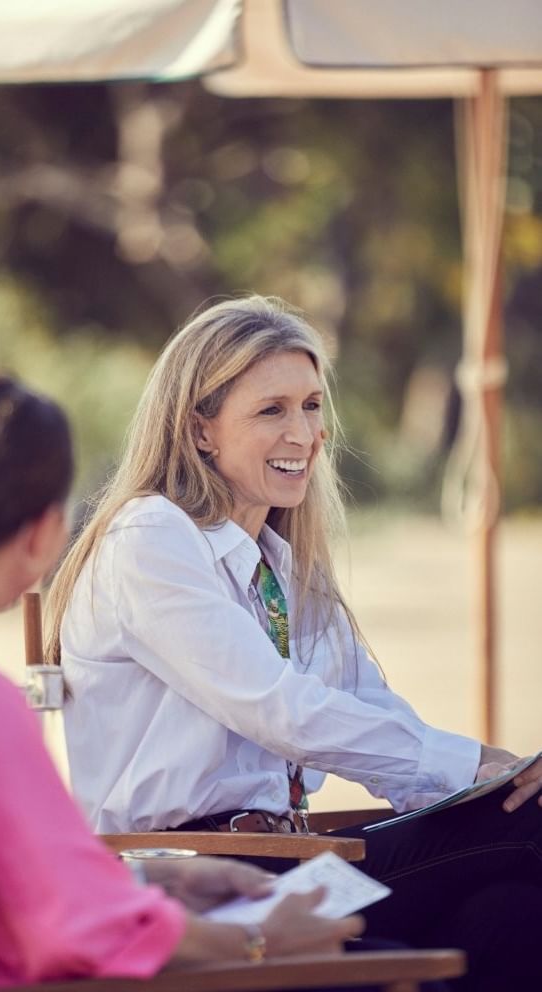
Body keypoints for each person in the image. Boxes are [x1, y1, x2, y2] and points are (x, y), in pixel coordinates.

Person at [49, 295, 542, 992]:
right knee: (526, 831)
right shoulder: (151, 537)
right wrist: (480, 772)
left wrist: (499, 780)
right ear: (200, 431)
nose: (304, 433)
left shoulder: (283, 568)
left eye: (312, 406)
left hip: (295, 854)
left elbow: (375, 714)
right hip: (201, 877)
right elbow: (281, 709)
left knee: (511, 913)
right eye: (272, 410)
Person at [0, 371, 366, 992]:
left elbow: (5, 882)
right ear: (44, 535)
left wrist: (161, 879)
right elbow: (81, 929)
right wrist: (260, 941)